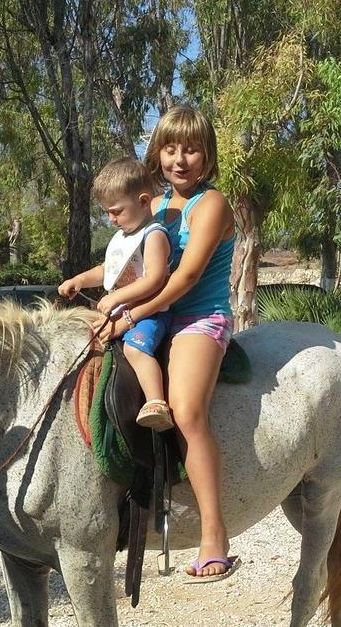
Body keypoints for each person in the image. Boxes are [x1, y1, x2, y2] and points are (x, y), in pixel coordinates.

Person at [97, 105, 237, 581]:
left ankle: (214, 533)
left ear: (207, 154)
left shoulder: (211, 204)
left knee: (186, 408)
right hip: (157, 314)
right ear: (157, 152)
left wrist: (132, 313)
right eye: (171, 148)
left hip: (199, 316)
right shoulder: (152, 206)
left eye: (192, 148)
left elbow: (187, 275)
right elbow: (129, 266)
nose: (181, 159)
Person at [59, 157, 175, 431]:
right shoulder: (123, 236)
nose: (111, 219)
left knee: (135, 349)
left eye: (117, 211)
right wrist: (79, 280)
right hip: (121, 311)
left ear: (144, 202)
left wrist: (118, 297)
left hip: (150, 314)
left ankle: (156, 402)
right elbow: (105, 270)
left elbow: (156, 279)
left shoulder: (154, 235)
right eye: (107, 212)